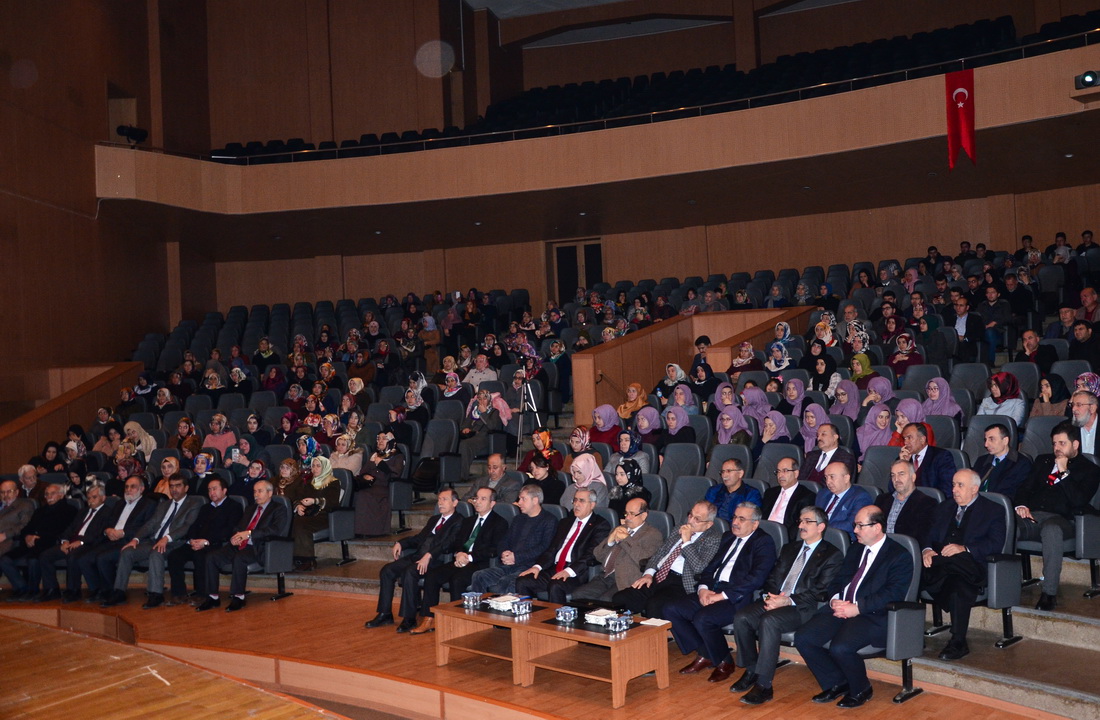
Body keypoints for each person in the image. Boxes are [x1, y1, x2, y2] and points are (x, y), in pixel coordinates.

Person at [793, 506, 914, 709]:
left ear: (877, 527)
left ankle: (861, 689)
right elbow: (838, 580)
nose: (855, 530)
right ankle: (836, 682)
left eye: (860, 526)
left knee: (841, 647)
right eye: (855, 525)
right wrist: (834, 600)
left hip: (872, 614)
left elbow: (893, 594)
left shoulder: (899, 555)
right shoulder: (856, 548)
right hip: (842, 607)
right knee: (804, 638)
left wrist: (857, 608)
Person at [730, 506, 844, 705]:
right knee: (742, 617)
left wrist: (788, 600)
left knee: (769, 621)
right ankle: (752, 670)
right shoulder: (789, 548)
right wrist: (771, 597)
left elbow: (821, 591)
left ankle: (764, 685)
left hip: (804, 608)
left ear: (821, 527)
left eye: (807, 521)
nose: (801, 525)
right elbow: (772, 577)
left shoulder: (832, 555)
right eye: (800, 521)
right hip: (777, 600)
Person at [666, 502, 776, 684]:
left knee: (703, 618)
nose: (735, 522)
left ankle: (725, 662)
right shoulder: (727, 537)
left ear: (755, 524)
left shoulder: (763, 542)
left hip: (737, 597)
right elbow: (709, 568)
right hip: (713, 590)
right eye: (734, 517)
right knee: (671, 609)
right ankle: (706, 653)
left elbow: (756, 579)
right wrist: (702, 589)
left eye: (742, 519)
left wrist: (720, 596)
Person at [922, 469, 1008, 660]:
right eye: (953, 485)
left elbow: (995, 543)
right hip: (946, 568)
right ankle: (953, 640)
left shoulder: (993, 510)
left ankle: (958, 642)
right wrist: (926, 550)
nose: (954, 490)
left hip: (972, 564)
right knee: (956, 584)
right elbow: (928, 534)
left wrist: (964, 548)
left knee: (958, 574)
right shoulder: (944, 507)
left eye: (960, 485)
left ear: (975, 488)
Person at [1015, 421, 1100, 610]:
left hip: (1062, 520)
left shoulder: (1090, 469)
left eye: (1062, 443)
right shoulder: (1042, 461)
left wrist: (1064, 472)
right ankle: (1003, 584)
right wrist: (1021, 506)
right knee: (1006, 524)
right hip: (1032, 516)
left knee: (1051, 529)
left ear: (1075, 444)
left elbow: (1079, 500)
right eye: (1054, 443)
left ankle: (1049, 593)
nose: (1057, 448)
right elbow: (1024, 488)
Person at [409, 487, 509, 635]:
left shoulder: (499, 522)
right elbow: (456, 543)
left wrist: (469, 557)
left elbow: (494, 550)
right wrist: (459, 553)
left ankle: (458, 620)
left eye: (483, 499)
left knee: (457, 579)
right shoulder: (468, 521)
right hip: (461, 559)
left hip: (481, 564)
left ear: (492, 503)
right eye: (476, 498)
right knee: (433, 575)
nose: (478, 502)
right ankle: (429, 618)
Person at [100, 473, 203, 608]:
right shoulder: (164, 504)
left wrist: (166, 538)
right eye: (171, 486)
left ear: (186, 488)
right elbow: (150, 524)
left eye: (178, 486)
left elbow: (186, 526)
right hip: (153, 541)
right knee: (127, 551)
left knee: (156, 553)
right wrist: (136, 539)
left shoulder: (194, 504)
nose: (174, 489)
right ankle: (119, 592)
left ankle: (156, 594)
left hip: (174, 543)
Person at [197, 479, 288, 613]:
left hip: (259, 546)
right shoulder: (250, 508)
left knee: (239, 558)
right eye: (254, 491)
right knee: (212, 557)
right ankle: (212, 597)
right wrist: (235, 537)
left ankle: (238, 597)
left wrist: (249, 534)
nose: (256, 495)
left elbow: (275, 530)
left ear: (270, 493)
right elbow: (239, 527)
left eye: (260, 491)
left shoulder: (278, 509)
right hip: (240, 544)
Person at [514, 487, 611, 602]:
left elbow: (591, 554)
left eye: (581, 501)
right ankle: (528, 612)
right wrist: (537, 567)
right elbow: (552, 549)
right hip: (555, 568)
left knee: (556, 585)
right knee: (523, 581)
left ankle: (556, 614)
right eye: (575, 500)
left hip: (576, 572)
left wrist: (569, 571)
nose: (576, 504)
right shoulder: (565, 522)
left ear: (592, 505)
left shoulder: (600, 525)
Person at [164, 475, 243, 605]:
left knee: (200, 556)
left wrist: (206, 541)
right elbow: (194, 526)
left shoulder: (234, 506)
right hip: (198, 542)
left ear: (224, 490)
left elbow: (229, 530)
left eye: (215, 489)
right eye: (209, 489)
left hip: (217, 544)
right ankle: (179, 594)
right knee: (174, 556)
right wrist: (192, 540)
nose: (211, 492)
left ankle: (202, 594)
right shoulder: (205, 508)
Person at [76, 476, 156, 603]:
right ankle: (96, 590)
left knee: (103, 558)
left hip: (129, 542)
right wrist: (107, 530)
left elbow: (146, 527)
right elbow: (108, 522)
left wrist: (123, 533)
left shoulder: (148, 504)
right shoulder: (119, 503)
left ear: (141, 489)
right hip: (110, 540)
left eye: (133, 487)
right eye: (126, 487)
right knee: (84, 559)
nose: (128, 489)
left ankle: (111, 592)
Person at [571, 497, 663, 603]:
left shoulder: (652, 534)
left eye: (632, 514)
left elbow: (643, 560)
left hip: (627, 579)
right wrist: (610, 541)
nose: (627, 517)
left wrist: (626, 539)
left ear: (643, 515)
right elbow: (598, 555)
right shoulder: (619, 529)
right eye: (626, 513)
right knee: (578, 595)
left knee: (606, 600)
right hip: (605, 576)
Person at [469, 484, 557, 594]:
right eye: (519, 499)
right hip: (510, 565)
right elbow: (504, 540)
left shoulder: (549, 520)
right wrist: (504, 552)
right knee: (479, 575)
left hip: (529, 566)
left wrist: (516, 557)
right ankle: (479, 604)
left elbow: (544, 548)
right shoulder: (518, 519)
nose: (519, 503)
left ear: (535, 500)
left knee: (506, 582)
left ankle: (501, 605)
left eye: (523, 499)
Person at [35, 483, 112, 602]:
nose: (91, 500)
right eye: (89, 497)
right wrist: (64, 541)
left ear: (103, 498)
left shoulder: (108, 512)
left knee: (73, 556)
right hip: (71, 542)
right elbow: (70, 528)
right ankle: (52, 589)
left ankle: (73, 590)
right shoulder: (83, 511)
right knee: (45, 556)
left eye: (94, 497)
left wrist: (81, 542)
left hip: (89, 544)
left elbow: (99, 534)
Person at [0, 483, 76, 600]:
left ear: (61, 495)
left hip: (49, 543)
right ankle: (21, 588)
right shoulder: (40, 511)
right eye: (46, 494)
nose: (49, 496)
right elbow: (27, 528)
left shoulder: (69, 510)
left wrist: (37, 537)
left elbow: (63, 531)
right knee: (5, 559)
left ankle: (33, 591)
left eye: (52, 493)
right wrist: (27, 536)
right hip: (30, 543)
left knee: (33, 559)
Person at [281, 456, 341, 571]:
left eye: (318, 466)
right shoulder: (309, 482)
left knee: (301, 524)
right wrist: (298, 506)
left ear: (325, 467)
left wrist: (315, 501)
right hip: (309, 514)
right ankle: (292, 558)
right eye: (313, 466)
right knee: (293, 521)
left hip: (324, 515)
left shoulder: (333, 482)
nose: (314, 468)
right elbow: (299, 497)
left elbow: (333, 502)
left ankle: (307, 560)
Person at [354, 432, 405, 536]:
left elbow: (396, 473)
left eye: (384, 439)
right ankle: (361, 530)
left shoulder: (398, 456)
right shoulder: (374, 455)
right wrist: (365, 475)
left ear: (391, 442)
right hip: (370, 485)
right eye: (378, 439)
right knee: (359, 493)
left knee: (365, 495)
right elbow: (363, 471)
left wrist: (381, 463)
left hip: (385, 486)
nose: (380, 441)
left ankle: (372, 531)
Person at [875, 460, 937, 537]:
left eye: (901, 474)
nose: (896, 479)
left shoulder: (927, 503)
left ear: (913, 477)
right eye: (893, 475)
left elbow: (923, 536)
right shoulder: (881, 500)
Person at [815, 461, 873, 540]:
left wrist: (821, 526)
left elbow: (851, 524)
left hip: (840, 539)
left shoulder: (860, 497)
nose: (828, 482)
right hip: (818, 536)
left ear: (846, 478)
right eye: (826, 477)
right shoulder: (823, 493)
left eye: (832, 477)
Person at [457, 389, 507, 480]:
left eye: (484, 399)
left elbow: (492, 427)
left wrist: (483, 413)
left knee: (465, 445)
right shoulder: (474, 411)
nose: (482, 401)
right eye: (479, 399)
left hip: (485, 437)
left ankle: (462, 475)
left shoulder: (494, 412)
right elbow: (465, 424)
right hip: (472, 436)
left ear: (489, 400)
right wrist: (465, 429)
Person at [762, 457, 816, 538]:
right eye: (778, 471)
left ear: (796, 473)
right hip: (763, 533)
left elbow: (798, 526)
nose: (780, 475)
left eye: (785, 471)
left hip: (784, 537)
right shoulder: (770, 492)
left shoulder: (806, 496)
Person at [898, 422, 956, 495]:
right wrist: (903, 465)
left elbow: (947, 490)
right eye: (904, 438)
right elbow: (892, 489)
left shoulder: (941, 457)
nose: (905, 442)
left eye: (909, 438)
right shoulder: (903, 459)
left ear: (922, 439)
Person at [705, 459, 762, 523]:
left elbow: (747, 520)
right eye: (723, 472)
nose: (724, 475)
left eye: (729, 471)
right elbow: (705, 513)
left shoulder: (751, 494)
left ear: (740, 473)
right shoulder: (714, 490)